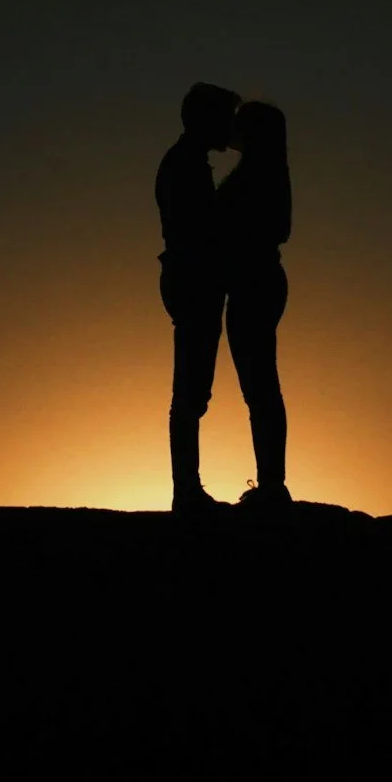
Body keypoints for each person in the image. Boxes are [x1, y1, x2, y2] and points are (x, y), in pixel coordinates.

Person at [156, 82, 241, 513]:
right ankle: (186, 491)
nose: (231, 128)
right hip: (193, 280)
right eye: (225, 118)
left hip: (189, 278)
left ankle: (187, 489)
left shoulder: (186, 162)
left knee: (192, 390)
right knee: (191, 391)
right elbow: (199, 230)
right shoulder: (185, 165)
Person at [218, 99, 293, 514]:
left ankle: (272, 485)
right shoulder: (267, 172)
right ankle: (271, 482)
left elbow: (272, 228)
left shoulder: (257, 175)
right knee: (262, 388)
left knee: (260, 388)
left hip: (254, 284)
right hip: (260, 282)